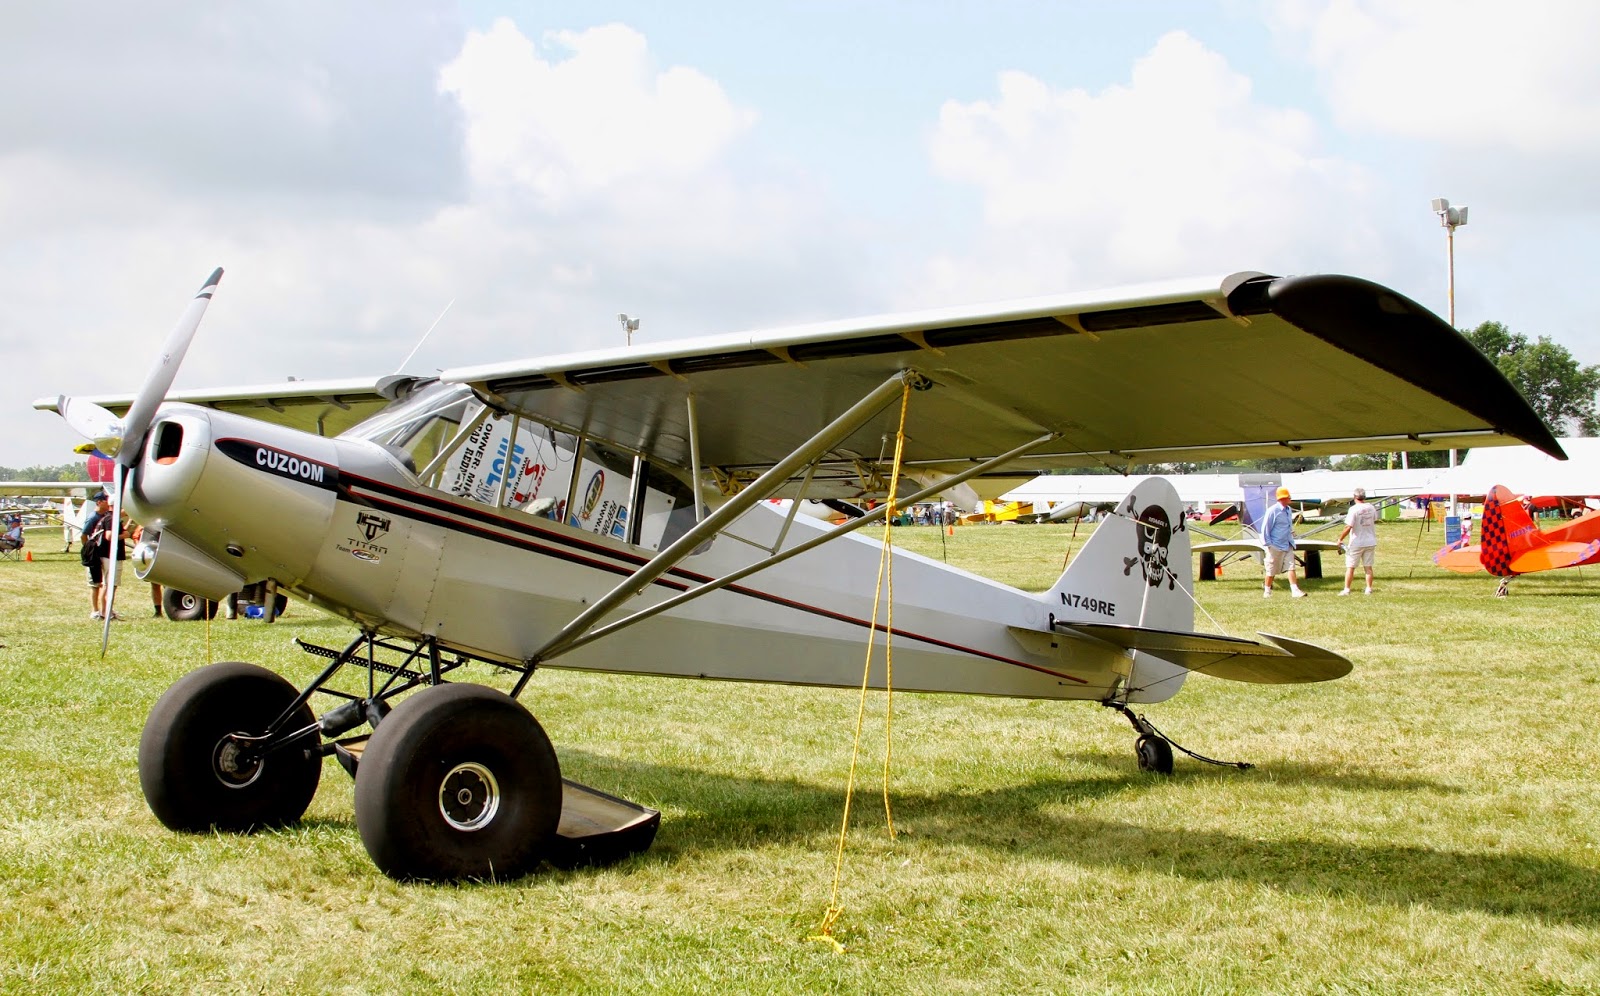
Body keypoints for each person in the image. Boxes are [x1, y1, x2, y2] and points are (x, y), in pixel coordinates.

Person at [81, 491, 131, 621]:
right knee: (110, 586)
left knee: (106, 585)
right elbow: (109, 536)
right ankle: (105, 612)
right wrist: (124, 535)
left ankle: (105, 611)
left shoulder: (106, 517)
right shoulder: (111, 519)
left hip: (105, 555)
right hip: (110, 555)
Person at [1261, 486, 1305, 598]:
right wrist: (1269, 544)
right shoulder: (1272, 511)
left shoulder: (1288, 510)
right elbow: (1266, 528)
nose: (1289, 499)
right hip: (1275, 545)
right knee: (1271, 570)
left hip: (1288, 543)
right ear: (1281, 499)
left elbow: (1287, 525)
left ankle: (1295, 590)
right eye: (1287, 497)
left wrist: (1291, 532)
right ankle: (1267, 591)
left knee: (1291, 566)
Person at [1337, 486, 1379, 595]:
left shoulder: (1353, 509)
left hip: (1357, 542)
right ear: (1364, 497)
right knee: (1368, 567)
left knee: (1350, 567)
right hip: (1370, 540)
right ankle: (1369, 588)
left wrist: (1340, 539)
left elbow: (1348, 526)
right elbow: (1375, 519)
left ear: (1354, 497)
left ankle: (1347, 589)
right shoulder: (1371, 507)